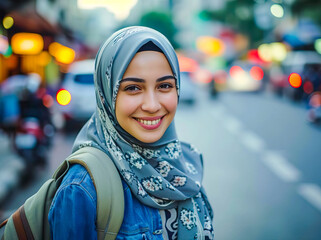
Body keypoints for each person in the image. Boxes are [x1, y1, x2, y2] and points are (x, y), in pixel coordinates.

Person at [48, 26, 214, 239]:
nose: (152, 105)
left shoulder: (187, 166)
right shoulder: (82, 188)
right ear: (107, 93)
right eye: (133, 88)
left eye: (164, 85)